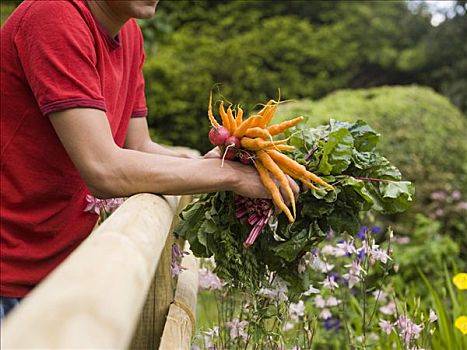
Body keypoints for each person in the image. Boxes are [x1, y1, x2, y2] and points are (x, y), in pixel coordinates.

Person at [0, 0, 298, 319]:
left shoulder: (129, 34)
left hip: (59, 271)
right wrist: (232, 177)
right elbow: (103, 170)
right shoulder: (54, 17)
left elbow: (140, 147)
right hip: (7, 271)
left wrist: (219, 162)